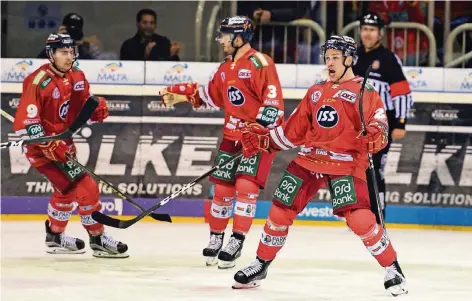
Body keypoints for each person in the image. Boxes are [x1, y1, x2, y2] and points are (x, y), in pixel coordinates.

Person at [232, 35, 408, 297]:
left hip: (346, 163)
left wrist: (375, 134)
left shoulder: (365, 91)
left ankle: (393, 268)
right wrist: (264, 140)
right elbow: (293, 132)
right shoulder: (316, 91)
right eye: (327, 58)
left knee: (361, 220)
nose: (330, 63)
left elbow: (380, 124)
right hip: (309, 159)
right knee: (279, 211)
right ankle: (261, 264)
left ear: (349, 60)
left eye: (335, 57)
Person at [160, 16, 284, 269]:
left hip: (257, 141)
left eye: (225, 36)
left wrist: (258, 130)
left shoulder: (261, 63)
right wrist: (185, 94)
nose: (221, 40)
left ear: (239, 38)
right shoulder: (226, 67)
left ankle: (236, 241)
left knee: (246, 187)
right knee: (223, 191)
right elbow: (212, 96)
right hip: (231, 138)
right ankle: (216, 238)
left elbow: (273, 103)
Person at [13, 33, 129, 258]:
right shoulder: (38, 81)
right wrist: (46, 143)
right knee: (86, 187)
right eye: (63, 52)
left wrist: (95, 109)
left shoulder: (76, 76)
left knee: (64, 191)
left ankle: (55, 237)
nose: (69, 57)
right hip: (43, 150)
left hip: (64, 143)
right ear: (51, 54)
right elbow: (27, 121)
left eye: (71, 52)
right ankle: (97, 238)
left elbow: (83, 104)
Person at [353, 12, 414, 224]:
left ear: (380, 33)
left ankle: (378, 217)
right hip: (355, 126)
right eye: (364, 29)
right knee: (355, 170)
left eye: (372, 30)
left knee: (375, 170)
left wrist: (400, 122)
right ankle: (359, 215)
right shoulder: (353, 55)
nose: (367, 34)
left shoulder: (388, 59)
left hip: (381, 124)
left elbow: (403, 93)